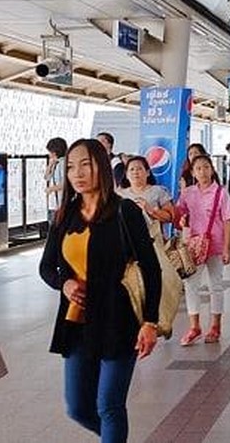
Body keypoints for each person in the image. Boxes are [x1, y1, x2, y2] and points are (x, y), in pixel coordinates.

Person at [39, 138, 161, 443]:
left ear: (102, 168)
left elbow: (151, 267)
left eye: (85, 165)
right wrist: (63, 283)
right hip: (77, 322)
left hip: (119, 321)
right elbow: (46, 268)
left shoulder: (124, 211)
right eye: (70, 167)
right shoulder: (65, 214)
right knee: (78, 408)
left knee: (109, 405)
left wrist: (150, 321)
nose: (77, 173)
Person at [176, 155, 230, 345]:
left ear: (212, 169)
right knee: (191, 285)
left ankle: (215, 326)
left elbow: (228, 220)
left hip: (215, 245)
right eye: (198, 168)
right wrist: (181, 220)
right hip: (193, 246)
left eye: (206, 167)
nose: (203, 171)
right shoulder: (187, 193)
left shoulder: (220, 192)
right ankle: (195, 327)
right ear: (193, 172)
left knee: (215, 285)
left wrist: (227, 248)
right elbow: (178, 215)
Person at [116, 156, 175, 241]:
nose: (135, 172)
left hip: (154, 241)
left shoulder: (158, 191)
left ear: (147, 172)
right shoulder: (120, 194)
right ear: (126, 175)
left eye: (139, 169)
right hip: (126, 241)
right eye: (131, 169)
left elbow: (170, 217)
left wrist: (151, 210)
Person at [45, 137, 68, 226]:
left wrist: (51, 189)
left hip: (60, 202)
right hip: (54, 203)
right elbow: (46, 177)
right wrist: (50, 165)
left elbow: (66, 183)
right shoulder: (56, 163)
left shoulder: (63, 163)